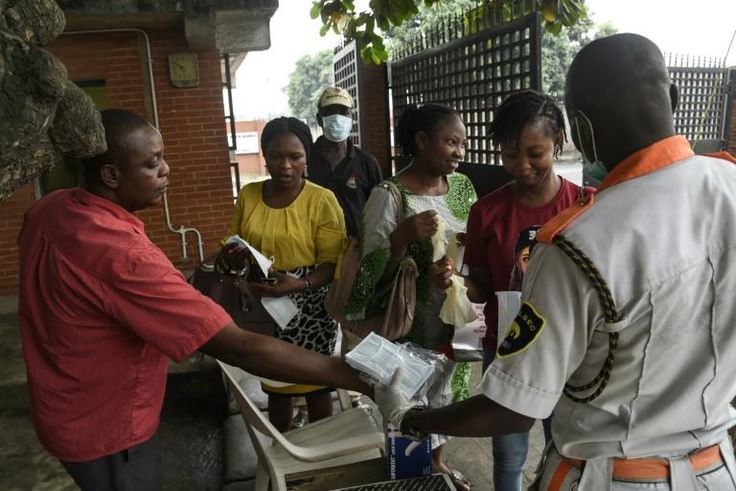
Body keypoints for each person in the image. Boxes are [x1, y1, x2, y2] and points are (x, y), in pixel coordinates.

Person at [374, 33, 736, 490]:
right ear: (675, 97)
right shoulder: (730, 187)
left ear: (577, 131)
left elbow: (512, 406)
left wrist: (416, 419)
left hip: (614, 474)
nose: (521, 166)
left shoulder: (578, 240)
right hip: (715, 469)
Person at [17, 109, 370, 491]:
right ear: (112, 176)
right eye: (153, 163)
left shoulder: (49, 208)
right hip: (108, 427)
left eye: (164, 157)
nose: (167, 170)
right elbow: (239, 347)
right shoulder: (125, 256)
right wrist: (358, 377)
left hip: (63, 406)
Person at [461, 90, 589, 491]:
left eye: (536, 153)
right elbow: (480, 287)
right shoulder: (486, 212)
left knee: (567, 448)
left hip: (571, 352)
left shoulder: (584, 205)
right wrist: (454, 282)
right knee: (509, 455)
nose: (522, 165)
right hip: (507, 348)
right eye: (510, 153)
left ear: (558, 144)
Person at [346, 103, 477, 490]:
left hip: (458, 318)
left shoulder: (465, 188)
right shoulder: (389, 195)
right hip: (409, 325)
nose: (459, 152)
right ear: (421, 141)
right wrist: (402, 237)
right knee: (409, 402)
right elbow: (366, 280)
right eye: (451, 142)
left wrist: (459, 268)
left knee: (450, 396)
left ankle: (437, 465)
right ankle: (409, 477)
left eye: (463, 144)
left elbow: (476, 247)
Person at [219, 116, 347, 432]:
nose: (285, 165)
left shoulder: (322, 200)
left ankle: (320, 456)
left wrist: (299, 283)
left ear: (307, 157)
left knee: (317, 384)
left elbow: (333, 263)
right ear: (265, 156)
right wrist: (231, 254)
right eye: (276, 156)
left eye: (295, 156)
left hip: (311, 306)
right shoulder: (249, 195)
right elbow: (234, 242)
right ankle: (284, 449)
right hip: (264, 303)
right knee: (274, 384)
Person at [307, 86, 383, 237]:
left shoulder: (367, 163)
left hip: (355, 250)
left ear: (351, 119)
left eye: (343, 112)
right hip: (313, 249)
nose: (337, 117)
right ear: (319, 119)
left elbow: (380, 210)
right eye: (330, 112)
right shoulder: (306, 160)